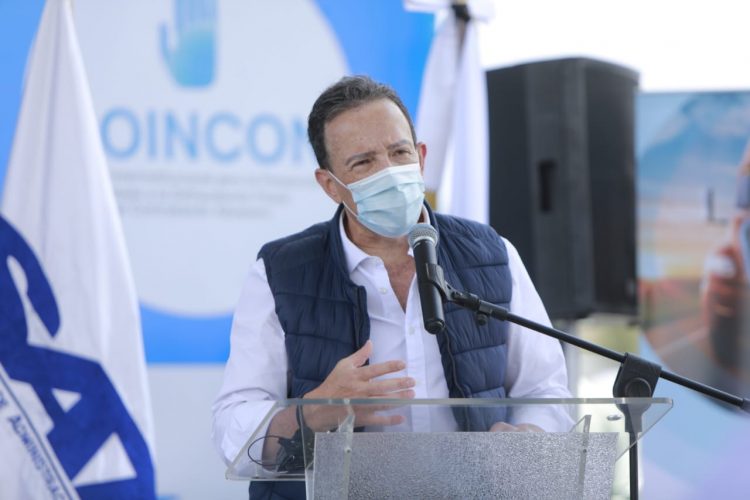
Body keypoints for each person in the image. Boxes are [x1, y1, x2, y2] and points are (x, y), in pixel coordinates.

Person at [212, 75, 571, 499]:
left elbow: (545, 390)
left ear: (421, 157)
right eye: (363, 163)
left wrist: (529, 437)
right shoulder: (281, 272)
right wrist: (314, 413)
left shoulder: (492, 255)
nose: (389, 172)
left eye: (399, 152)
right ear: (330, 185)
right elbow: (233, 426)